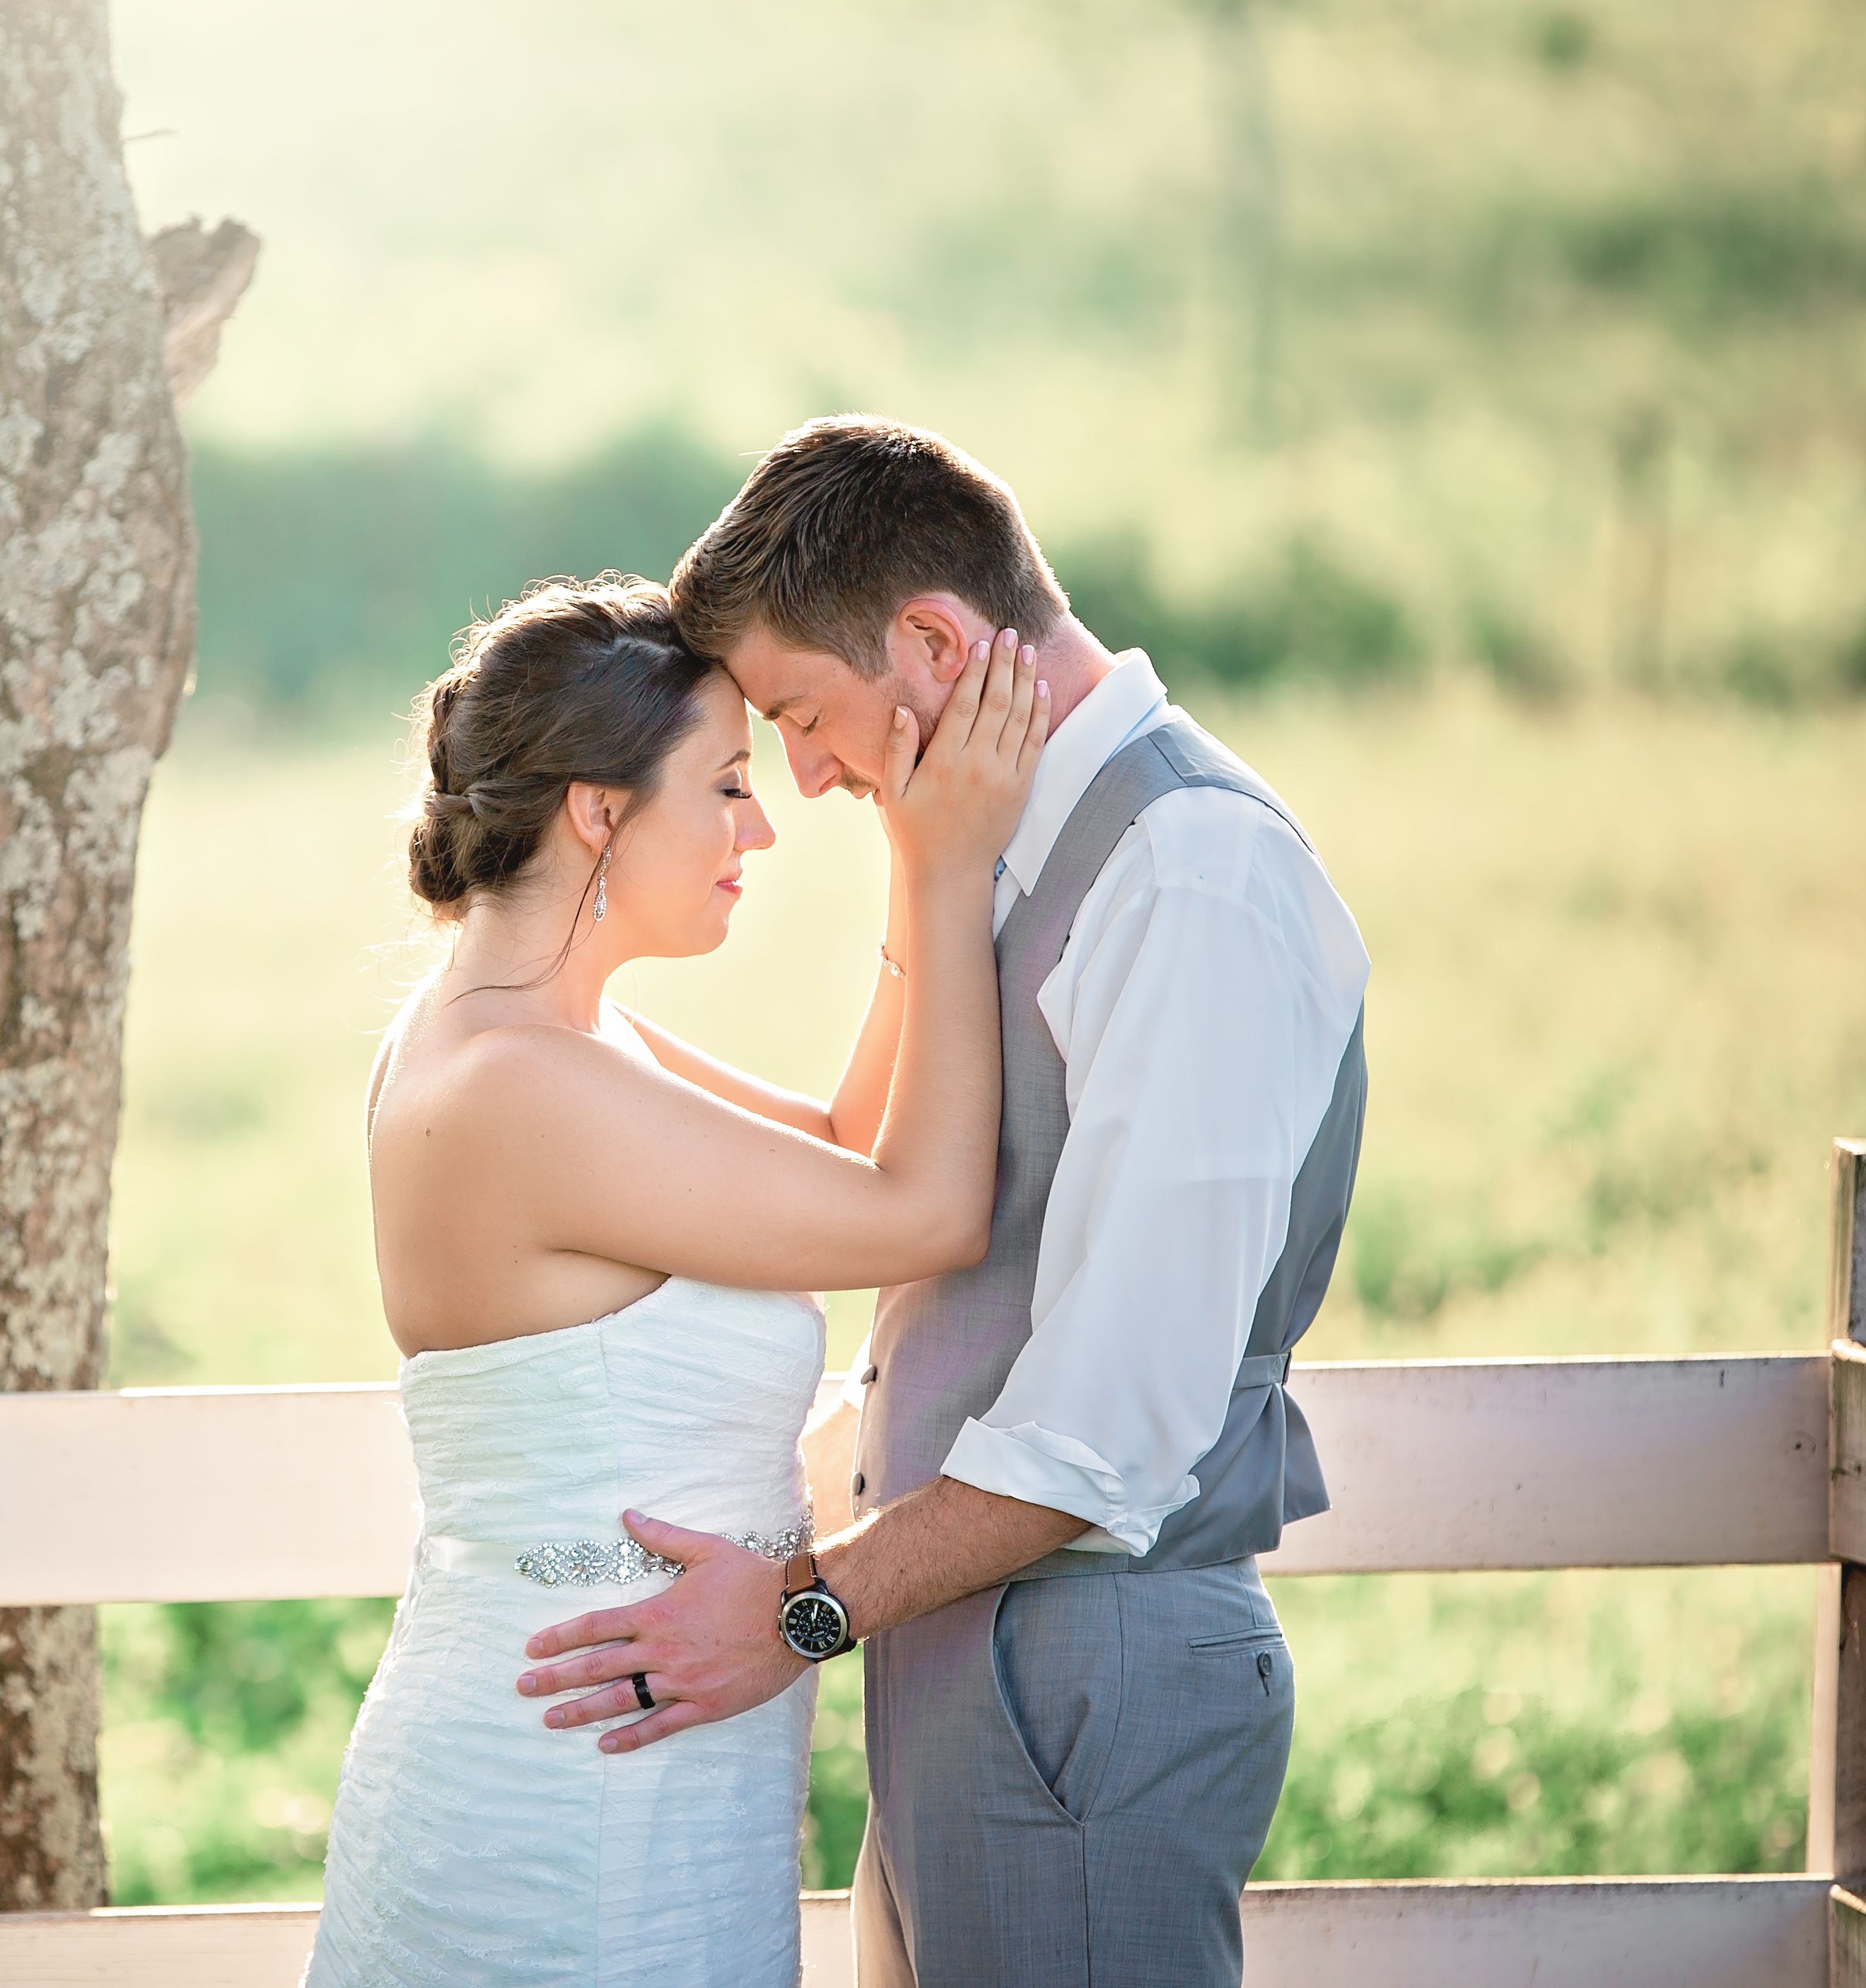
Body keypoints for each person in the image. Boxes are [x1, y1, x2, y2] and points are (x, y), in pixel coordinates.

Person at [516, 417, 1370, 1987]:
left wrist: (792, 1621)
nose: (810, 775)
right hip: (968, 1651)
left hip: (1081, 1674)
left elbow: (1106, 1433)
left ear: (930, 641)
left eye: (803, 713)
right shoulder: (1019, 860)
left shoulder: (1190, 880)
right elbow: (870, 1157)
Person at [304, 574, 1050, 1986]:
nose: (759, 825)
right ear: (597, 808)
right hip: (572, 1795)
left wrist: (908, 850)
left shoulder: (532, 1039)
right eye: (722, 785)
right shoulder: (523, 1087)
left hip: (639, 1749)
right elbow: (928, 1209)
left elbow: (839, 1144)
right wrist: (952, 872)